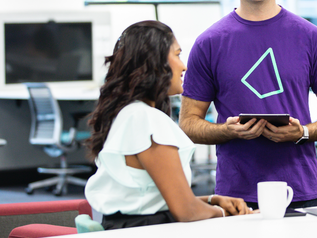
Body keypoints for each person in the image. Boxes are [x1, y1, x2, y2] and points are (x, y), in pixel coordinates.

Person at [179, 0, 317, 209]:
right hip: (235, 195)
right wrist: (227, 131)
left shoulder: (311, 37)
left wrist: (303, 131)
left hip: (299, 190)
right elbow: (188, 122)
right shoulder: (209, 43)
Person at [84, 21, 252, 230]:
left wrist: (211, 200)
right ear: (155, 61)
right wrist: (231, 215)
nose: (184, 66)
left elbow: (146, 201)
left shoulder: (129, 113)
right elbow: (186, 212)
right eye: (178, 54)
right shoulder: (147, 119)